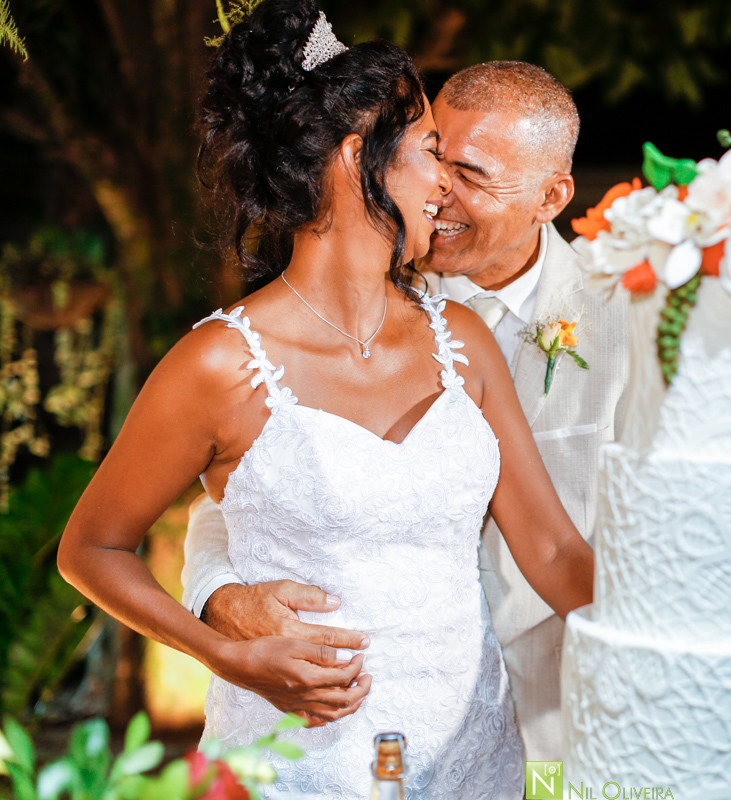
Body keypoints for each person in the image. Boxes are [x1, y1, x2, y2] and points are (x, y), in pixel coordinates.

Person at [58, 5, 595, 797]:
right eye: (430, 152)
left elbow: (552, 554)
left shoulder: (465, 345)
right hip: (297, 767)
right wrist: (226, 654)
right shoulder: (218, 363)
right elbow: (92, 550)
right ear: (357, 160)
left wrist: (700, 640)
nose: (445, 183)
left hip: (474, 758)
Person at [180, 60, 628, 761]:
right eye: (432, 154)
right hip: (331, 715)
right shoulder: (334, 297)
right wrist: (219, 598)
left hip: (561, 722)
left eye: (471, 175)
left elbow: (566, 548)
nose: (442, 188)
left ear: (552, 196)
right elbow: (246, 491)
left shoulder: (633, 324)